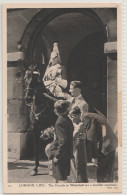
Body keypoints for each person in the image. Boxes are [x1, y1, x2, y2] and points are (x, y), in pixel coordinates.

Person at [48, 100, 74, 183]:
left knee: (61, 179)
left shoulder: (59, 122)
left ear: (56, 110)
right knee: (61, 178)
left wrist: (57, 156)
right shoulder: (67, 119)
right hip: (67, 153)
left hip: (61, 155)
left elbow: (63, 141)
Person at [70, 106, 88, 183]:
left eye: (74, 115)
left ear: (78, 115)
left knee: (80, 163)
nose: (72, 117)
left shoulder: (81, 124)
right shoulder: (72, 122)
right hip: (75, 143)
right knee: (74, 163)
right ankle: (76, 180)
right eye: (72, 115)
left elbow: (75, 134)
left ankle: (82, 181)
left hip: (80, 143)